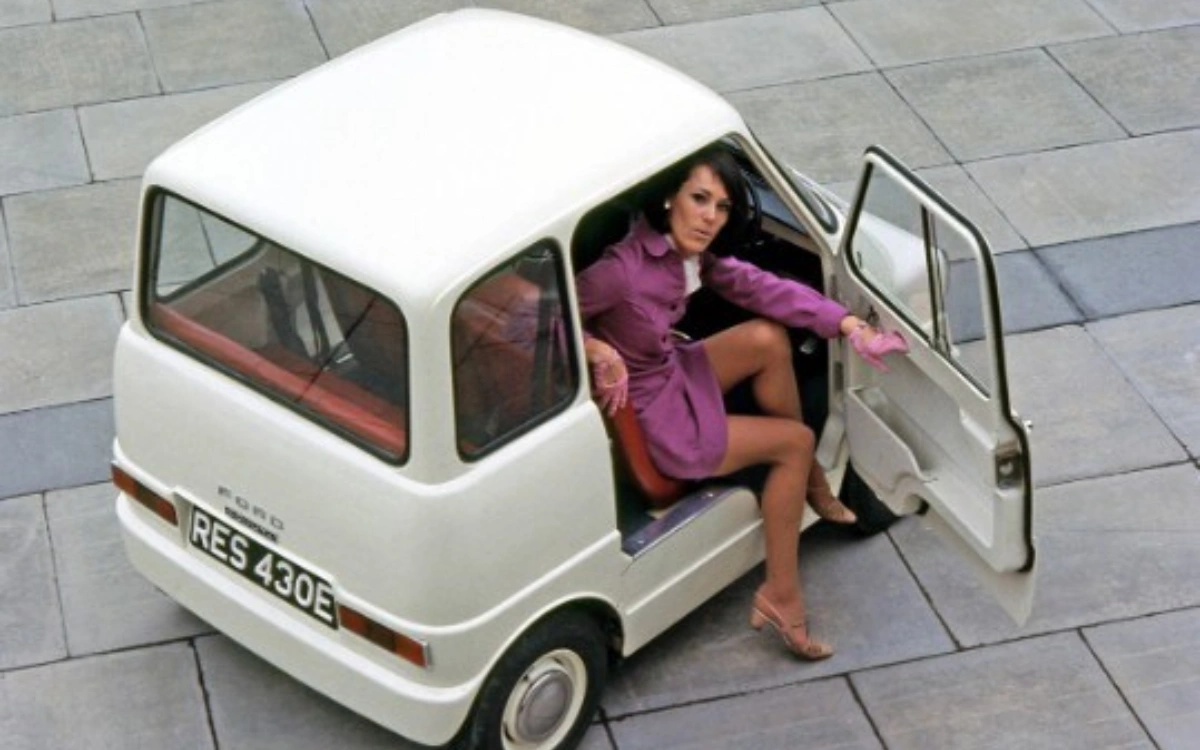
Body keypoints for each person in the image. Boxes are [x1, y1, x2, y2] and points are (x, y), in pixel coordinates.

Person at [575, 146, 907, 660]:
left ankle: (812, 480)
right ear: (669, 199)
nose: (710, 217)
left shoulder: (685, 254)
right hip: (659, 419)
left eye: (722, 207)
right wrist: (595, 348)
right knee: (794, 442)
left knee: (767, 338)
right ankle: (782, 596)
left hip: (671, 370)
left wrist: (848, 325)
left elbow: (759, 287)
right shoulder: (620, 271)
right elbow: (536, 324)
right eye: (699, 199)